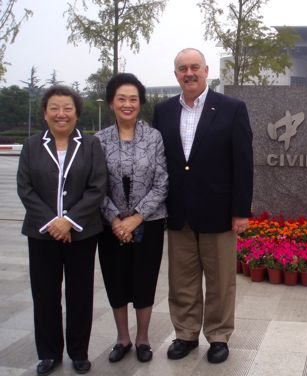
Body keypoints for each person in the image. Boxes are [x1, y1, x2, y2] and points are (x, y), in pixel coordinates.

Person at [152, 48, 253, 364]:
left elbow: (243, 163)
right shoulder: (164, 111)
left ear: (206, 70)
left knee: (221, 281)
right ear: (176, 74)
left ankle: (219, 336)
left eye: (194, 66)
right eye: (182, 68)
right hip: (178, 212)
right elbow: (162, 162)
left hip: (219, 212)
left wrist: (241, 211)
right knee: (182, 280)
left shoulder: (231, 109)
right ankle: (185, 334)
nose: (189, 72)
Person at [17, 85, 107, 375]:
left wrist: (68, 221)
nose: (61, 114)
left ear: (77, 113)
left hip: (81, 232)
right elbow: (25, 188)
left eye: (67, 108)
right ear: (45, 113)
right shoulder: (32, 145)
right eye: (54, 108)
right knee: (44, 294)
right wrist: (52, 223)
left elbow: (97, 187)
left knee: (80, 294)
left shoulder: (90, 144)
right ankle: (49, 353)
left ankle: (78, 352)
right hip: (41, 233)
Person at [95, 73, 168, 363]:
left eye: (133, 99)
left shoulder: (154, 137)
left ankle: (143, 338)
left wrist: (136, 218)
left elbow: (162, 181)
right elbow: (95, 185)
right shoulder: (98, 140)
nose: (127, 104)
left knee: (144, 279)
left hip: (147, 223)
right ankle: (123, 338)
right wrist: (115, 219)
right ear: (112, 102)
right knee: (116, 279)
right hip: (109, 226)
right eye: (121, 99)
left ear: (140, 103)